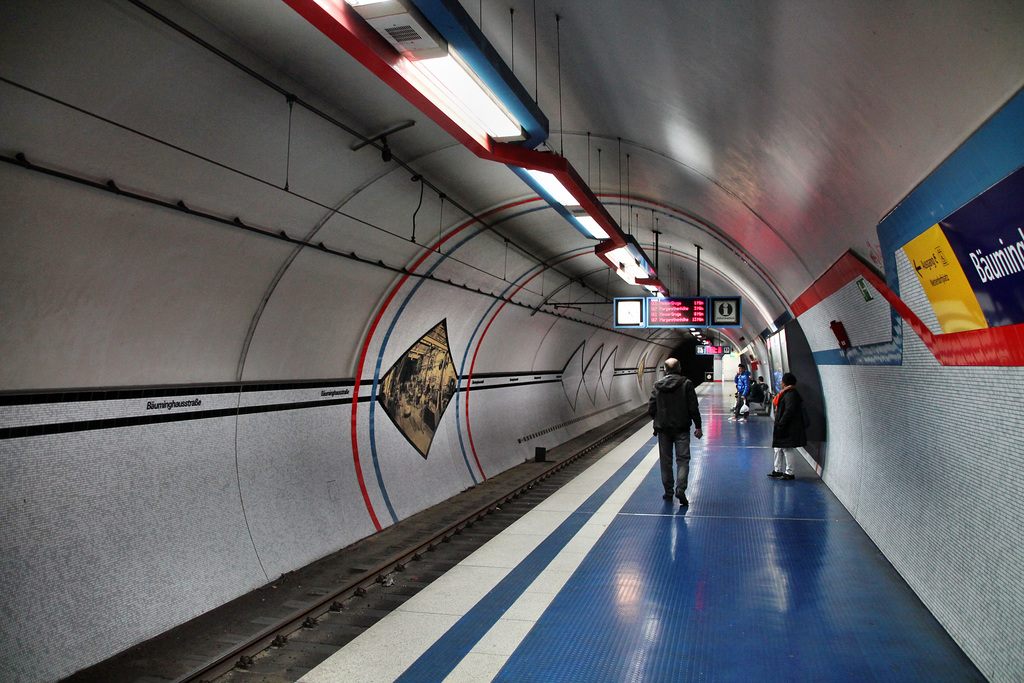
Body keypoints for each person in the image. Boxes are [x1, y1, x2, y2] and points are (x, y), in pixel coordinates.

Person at [648, 358, 703, 506]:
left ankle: (668, 491)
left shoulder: (657, 386)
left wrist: (658, 420)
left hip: (663, 429)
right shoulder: (687, 384)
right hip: (682, 428)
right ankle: (680, 489)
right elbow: (693, 407)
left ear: (665, 370)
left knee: (666, 462)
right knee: (683, 459)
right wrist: (698, 426)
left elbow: (651, 408)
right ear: (679, 369)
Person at [768, 372, 806, 481]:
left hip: (787, 426)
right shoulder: (787, 393)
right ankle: (777, 470)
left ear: (785, 383)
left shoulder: (791, 394)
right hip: (783, 425)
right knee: (778, 448)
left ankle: (789, 472)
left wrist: (781, 423)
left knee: (787, 449)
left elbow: (789, 411)